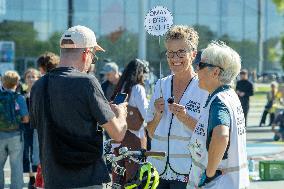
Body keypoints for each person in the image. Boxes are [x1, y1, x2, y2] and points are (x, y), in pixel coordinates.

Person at [30, 25, 128, 189]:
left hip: (53, 180)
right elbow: (117, 134)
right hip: (87, 180)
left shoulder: (38, 85)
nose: (91, 62)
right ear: (86, 53)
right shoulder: (87, 82)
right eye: (93, 57)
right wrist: (121, 114)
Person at [146, 25, 208, 189]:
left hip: (188, 173)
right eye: (171, 53)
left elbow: (209, 134)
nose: (175, 58)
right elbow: (150, 132)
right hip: (158, 173)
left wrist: (185, 118)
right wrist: (158, 116)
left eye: (181, 52)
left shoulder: (203, 88)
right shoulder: (160, 84)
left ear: (193, 54)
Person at [187, 41, 249, 189]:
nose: (197, 69)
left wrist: (209, 173)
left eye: (201, 66)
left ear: (215, 72)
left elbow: (221, 136)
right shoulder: (229, 95)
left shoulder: (219, 101)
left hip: (218, 184)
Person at [111, 59, 149, 183]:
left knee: (118, 177)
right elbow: (146, 114)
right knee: (134, 178)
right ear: (139, 72)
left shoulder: (120, 87)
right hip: (135, 139)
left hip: (118, 138)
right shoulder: (137, 88)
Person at [0, 70, 29, 189]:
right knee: (16, 165)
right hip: (16, 135)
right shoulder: (20, 98)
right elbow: (26, 119)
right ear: (17, 83)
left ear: (2, 82)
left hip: (0, 135)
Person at [22, 68, 41, 189]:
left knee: (37, 152)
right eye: (29, 77)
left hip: (38, 127)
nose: (31, 79)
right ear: (25, 79)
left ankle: (39, 178)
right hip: (25, 127)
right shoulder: (21, 93)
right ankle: (31, 178)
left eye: (33, 76)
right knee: (26, 153)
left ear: (38, 78)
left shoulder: (41, 93)